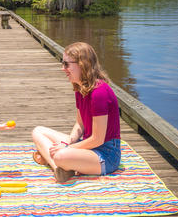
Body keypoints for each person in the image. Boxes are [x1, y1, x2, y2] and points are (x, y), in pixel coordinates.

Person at [32, 42, 121, 183]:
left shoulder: (99, 92)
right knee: (38, 131)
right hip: (87, 145)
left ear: (82, 64)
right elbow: (80, 125)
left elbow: (98, 139)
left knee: (61, 155)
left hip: (105, 155)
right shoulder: (80, 88)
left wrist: (67, 147)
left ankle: (59, 162)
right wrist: (70, 142)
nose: (63, 69)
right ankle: (59, 168)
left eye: (67, 64)